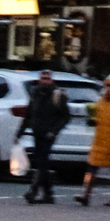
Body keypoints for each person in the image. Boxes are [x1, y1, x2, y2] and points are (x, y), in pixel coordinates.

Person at [16, 68, 72, 204]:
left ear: (51, 80)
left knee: (41, 162)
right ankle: (48, 194)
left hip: (49, 134)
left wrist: (54, 130)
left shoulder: (57, 94)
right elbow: (29, 114)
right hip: (37, 132)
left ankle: (33, 191)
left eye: (47, 78)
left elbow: (65, 116)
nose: (45, 81)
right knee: (43, 162)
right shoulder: (36, 93)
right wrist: (20, 133)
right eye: (43, 78)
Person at [77, 73, 110, 207]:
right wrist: (94, 121)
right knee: (92, 168)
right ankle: (85, 195)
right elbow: (99, 116)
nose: (107, 89)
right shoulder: (102, 101)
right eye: (106, 86)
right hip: (100, 141)